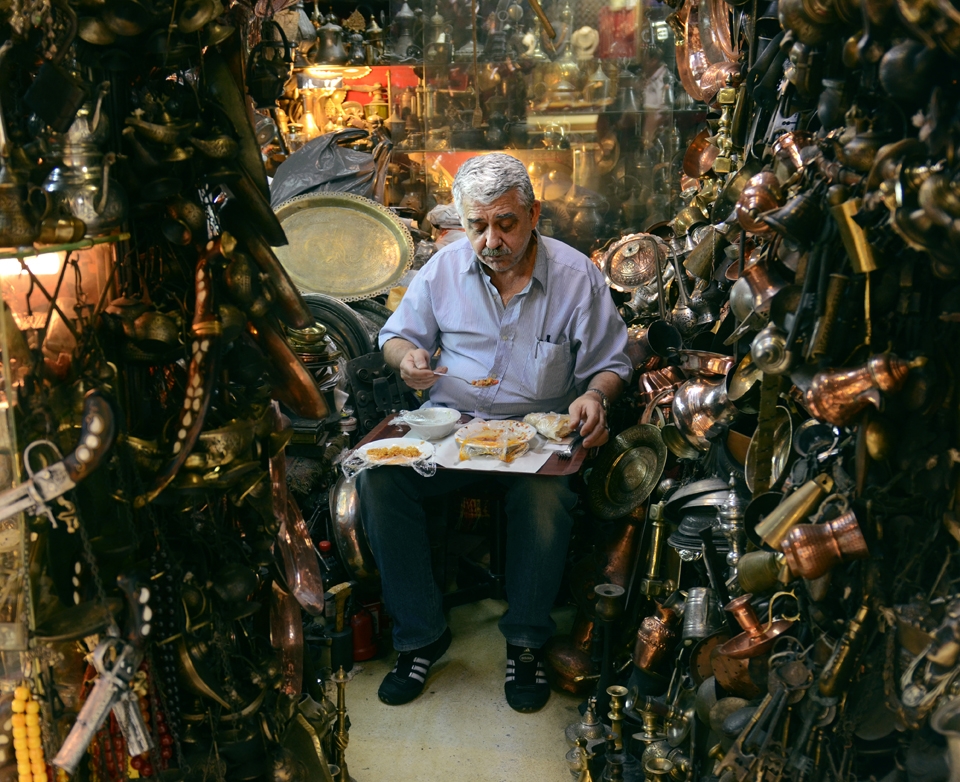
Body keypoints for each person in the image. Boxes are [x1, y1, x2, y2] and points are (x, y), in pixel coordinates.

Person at [357, 153, 632, 713]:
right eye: (478, 225)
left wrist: (593, 395)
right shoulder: (441, 269)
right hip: (453, 429)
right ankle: (420, 634)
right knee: (380, 482)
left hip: (538, 434)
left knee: (546, 497)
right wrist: (406, 357)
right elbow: (395, 337)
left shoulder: (576, 275)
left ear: (534, 214)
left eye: (505, 223)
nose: (492, 240)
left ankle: (527, 639)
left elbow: (612, 363)